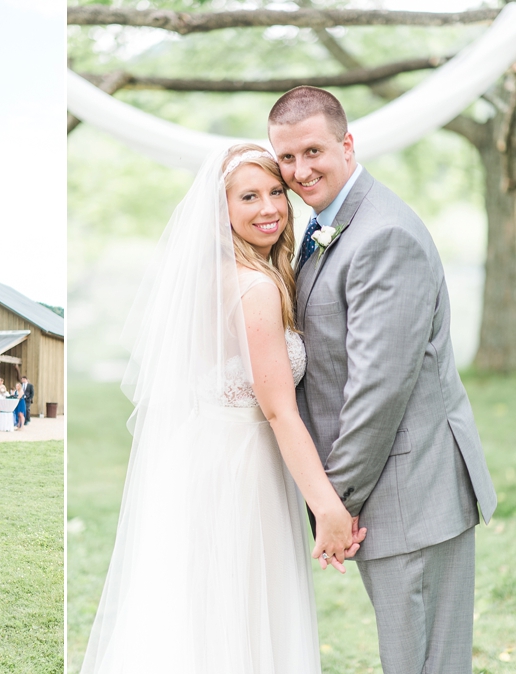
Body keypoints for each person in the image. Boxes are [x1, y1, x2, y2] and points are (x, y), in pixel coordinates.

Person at [79, 145, 367, 673]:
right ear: (220, 209)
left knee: (200, 617)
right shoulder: (254, 288)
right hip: (240, 471)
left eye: (277, 192)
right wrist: (328, 508)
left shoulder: (212, 278)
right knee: (239, 618)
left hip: (201, 456)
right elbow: (279, 410)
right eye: (249, 197)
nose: (270, 208)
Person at [267, 86, 497, 672]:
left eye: (313, 151)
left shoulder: (382, 235)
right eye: (286, 158)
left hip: (413, 490)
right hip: (394, 487)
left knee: (425, 663)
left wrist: (333, 505)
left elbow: (378, 391)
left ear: (347, 143)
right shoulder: (328, 224)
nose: (299, 170)